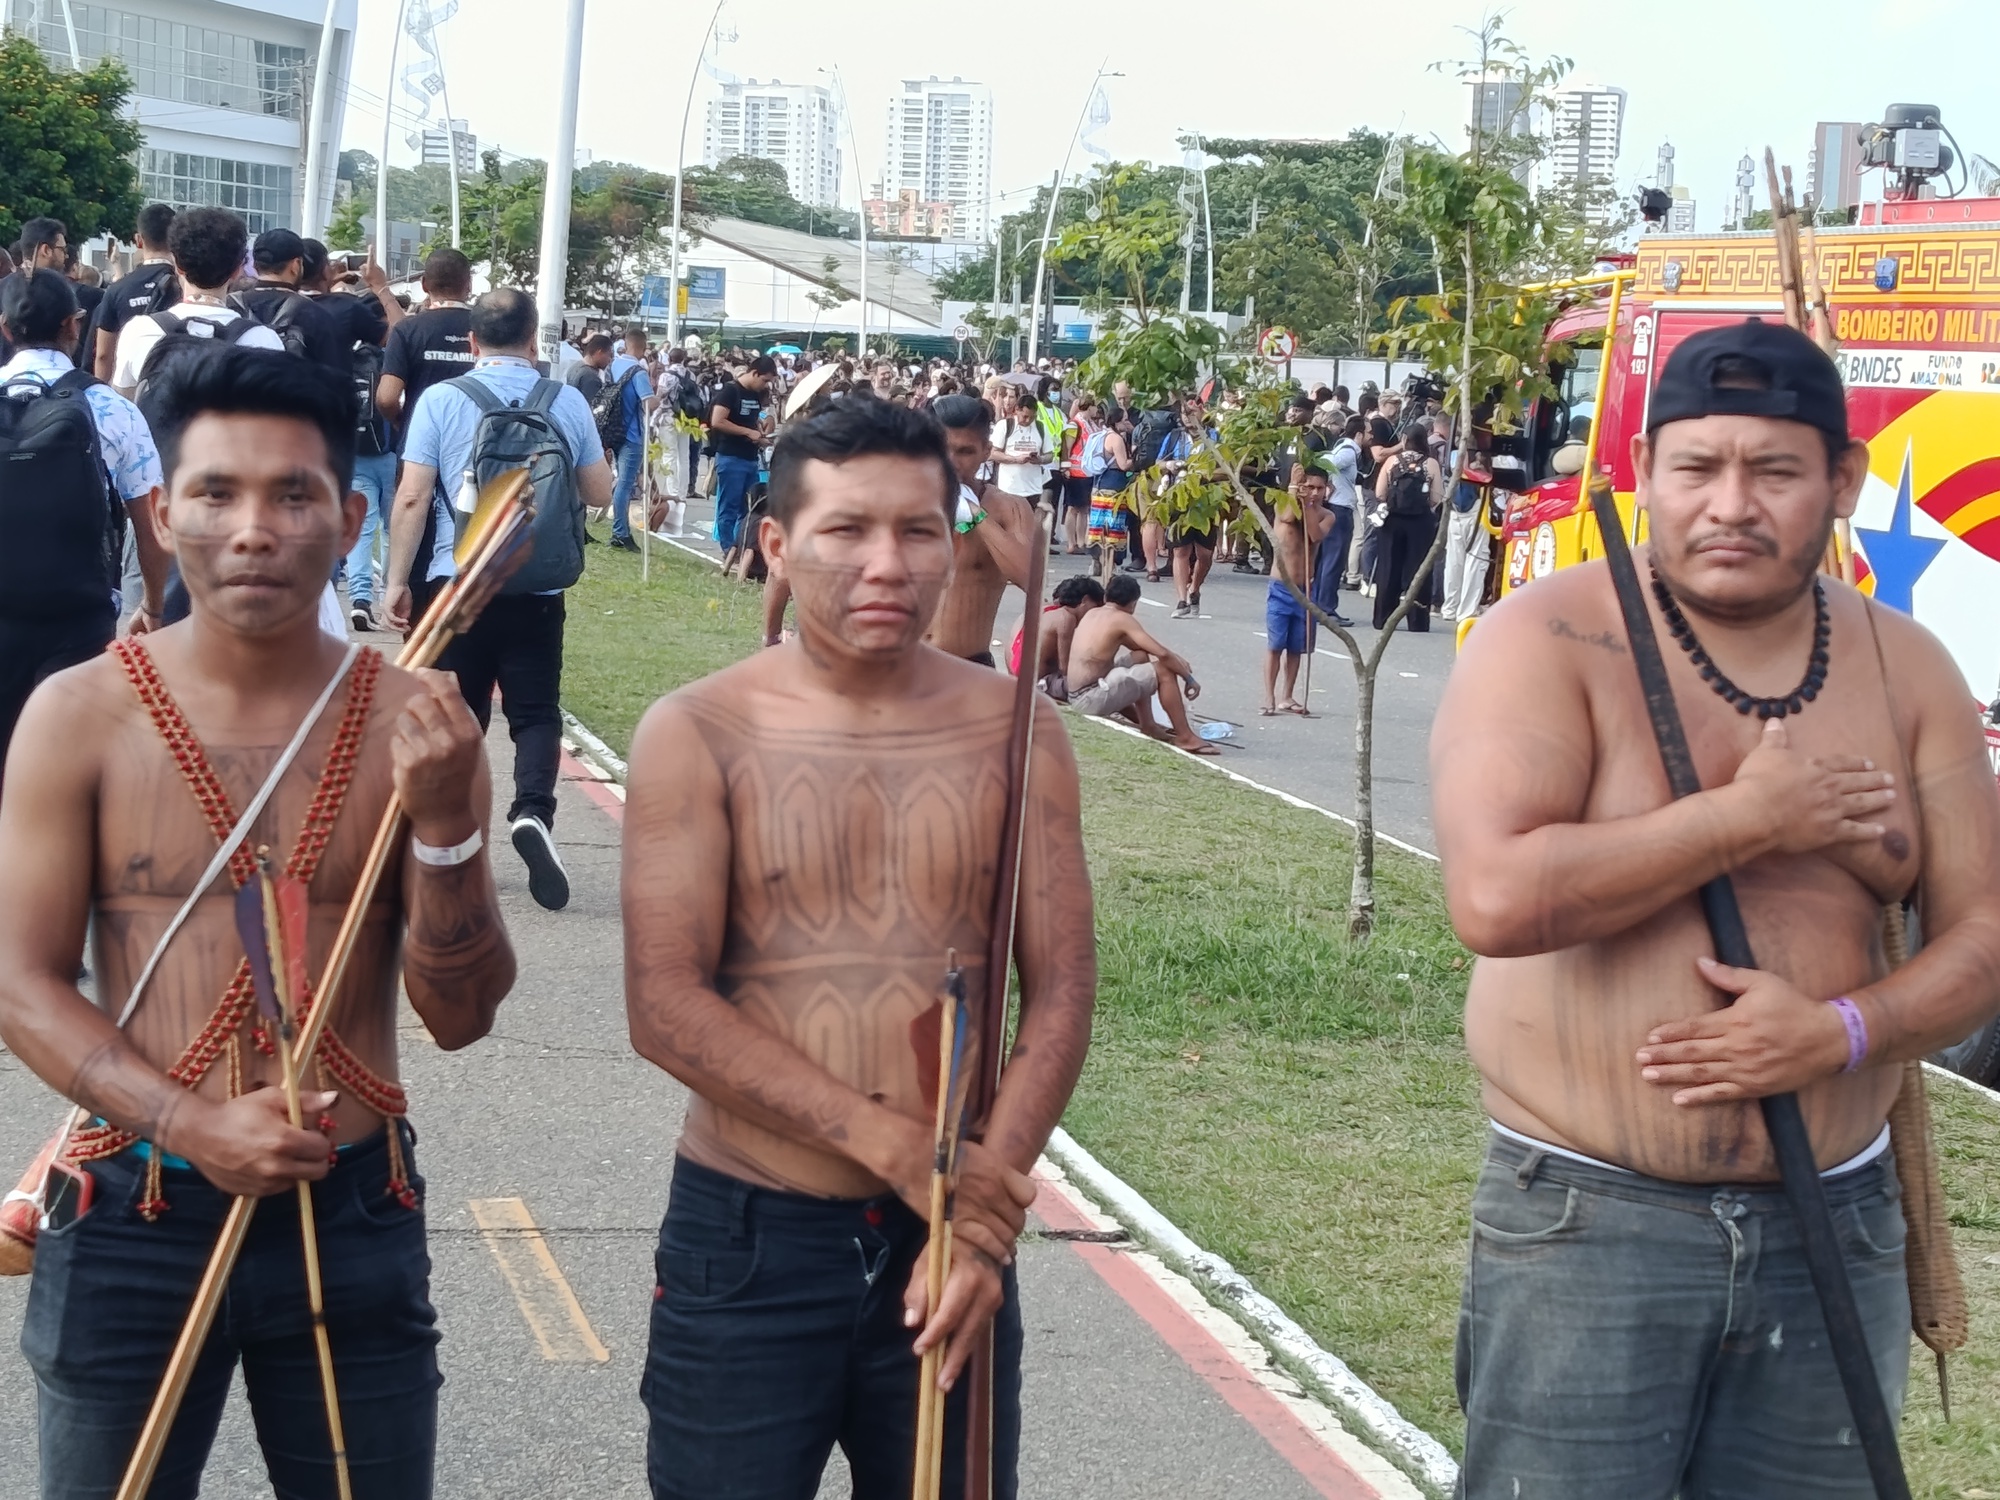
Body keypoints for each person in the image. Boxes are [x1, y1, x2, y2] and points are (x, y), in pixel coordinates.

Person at [1429, 318, 2000, 1498]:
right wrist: (1746, 821)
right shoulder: (1550, 637)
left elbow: (1982, 938)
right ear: (1646, 473)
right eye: (1696, 467)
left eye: (1773, 469)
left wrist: (1842, 1033)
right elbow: (1492, 898)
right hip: (1585, 1227)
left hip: (1831, 1225)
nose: (1728, 503)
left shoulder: (1907, 671)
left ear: (1838, 481)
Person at [0, 347, 516, 1499]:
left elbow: (464, 1014)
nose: (253, 529)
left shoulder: (418, 723)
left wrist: (442, 828)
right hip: (130, 1201)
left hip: (353, 1204)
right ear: (165, 509)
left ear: (350, 515)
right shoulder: (78, 715)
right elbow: (19, 983)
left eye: (293, 495)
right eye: (216, 493)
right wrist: (188, 1122)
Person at [621, 396, 1096, 1500]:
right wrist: (907, 1155)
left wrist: (978, 1217)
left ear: (952, 540)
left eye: (917, 530)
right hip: (748, 1241)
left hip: (948, 1236)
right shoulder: (699, 730)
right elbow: (666, 1006)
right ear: (778, 544)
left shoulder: (1018, 728)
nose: (886, 562)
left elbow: (1060, 991)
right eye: (845, 530)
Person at [383, 288, 615, 911]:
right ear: (535, 340)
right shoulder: (563, 399)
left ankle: (456, 841)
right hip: (535, 586)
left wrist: (395, 581)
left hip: (455, 582)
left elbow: (411, 496)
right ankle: (533, 810)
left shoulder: (442, 399)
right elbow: (598, 494)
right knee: (536, 712)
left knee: (458, 720)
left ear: (472, 342)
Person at [0, 269, 170, 773]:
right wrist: (155, 607)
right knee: (68, 765)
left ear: (5, 328)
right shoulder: (109, 408)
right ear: (75, 325)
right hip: (80, 613)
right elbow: (149, 522)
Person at [300, 241, 398, 630]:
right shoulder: (359, 328)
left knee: (360, 525)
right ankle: (390, 594)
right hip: (384, 450)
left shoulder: (291, 313)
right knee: (391, 528)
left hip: (342, 448)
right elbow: (401, 331)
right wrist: (380, 287)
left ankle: (358, 596)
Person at [377, 248, 478, 621]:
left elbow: (387, 396)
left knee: (415, 530)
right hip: (476, 450)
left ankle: (414, 612)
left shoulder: (408, 330)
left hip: (421, 451)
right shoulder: (482, 329)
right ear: (468, 286)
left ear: (423, 285)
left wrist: (404, 423)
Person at [110, 208, 285, 398]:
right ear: (237, 270)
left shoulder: (139, 332)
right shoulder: (264, 341)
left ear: (177, 264)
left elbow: (125, 407)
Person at [930, 394, 1037, 667]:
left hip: (967, 668)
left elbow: (1032, 580)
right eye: (941, 449)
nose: (951, 461)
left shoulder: (1008, 507)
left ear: (986, 451)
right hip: (901, 666)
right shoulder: (900, 499)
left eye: (965, 451)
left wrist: (977, 514)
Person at [1066, 574, 1216, 754]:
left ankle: (1148, 724)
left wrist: (1174, 657)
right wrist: (1189, 679)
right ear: (1133, 603)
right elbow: (1162, 654)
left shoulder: (1093, 613)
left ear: (1106, 597)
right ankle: (1185, 737)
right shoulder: (1122, 619)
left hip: (1077, 695)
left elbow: (1142, 647)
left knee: (1140, 656)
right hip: (1089, 699)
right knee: (1163, 671)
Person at [1263, 465, 1336, 716]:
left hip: (1306, 590)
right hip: (1280, 587)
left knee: (1297, 647)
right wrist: (1295, 491)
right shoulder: (1285, 503)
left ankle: (1287, 696)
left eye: (1319, 488)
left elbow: (1314, 535)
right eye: (1310, 487)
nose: (1314, 492)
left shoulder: (1326, 515)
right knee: (1275, 645)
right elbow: (1286, 517)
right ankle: (1269, 697)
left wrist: (1308, 506)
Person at [92, 204, 180, 383]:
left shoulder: (117, 289)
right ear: (176, 239)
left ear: (139, 240)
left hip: (129, 390)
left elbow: (103, 355)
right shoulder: (186, 286)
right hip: (176, 387)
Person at [234, 229, 341, 369]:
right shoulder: (316, 314)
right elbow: (336, 377)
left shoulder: (229, 305)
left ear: (255, 265)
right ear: (296, 266)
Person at [1370, 422, 1440, 632]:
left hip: (1393, 520)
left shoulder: (1392, 461)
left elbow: (1380, 493)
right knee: (1418, 569)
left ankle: (1383, 617)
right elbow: (1437, 497)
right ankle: (1418, 620)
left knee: (1389, 567)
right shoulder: (1431, 463)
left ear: (1404, 440)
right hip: (1420, 522)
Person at [709, 354, 774, 556]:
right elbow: (717, 420)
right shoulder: (731, 391)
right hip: (731, 456)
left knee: (749, 507)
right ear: (754, 373)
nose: (765, 385)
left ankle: (742, 547)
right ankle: (728, 549)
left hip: (750, 457)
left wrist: (760, 432)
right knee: (729, 506)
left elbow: (751, 420)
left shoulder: (755, 394)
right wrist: (747, 432)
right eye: (764, 380)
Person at [605, 325, 657, 551]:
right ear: (643, 348)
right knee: (625, 484)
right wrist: (659, 396)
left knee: (620, 482)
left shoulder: (612, 366)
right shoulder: (638, 372)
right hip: (632, 434)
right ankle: (620, 532)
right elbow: (648, 403)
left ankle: (620, 529)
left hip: (611, 430)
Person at [1315, 414, 1364, 628]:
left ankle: (1319, 604)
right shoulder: (1349, 450)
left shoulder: (1343, 447)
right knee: (1334, 560)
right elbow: (1327, 463)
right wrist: (1328, 482)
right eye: (1368, 433)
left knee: (1327, 559)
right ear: (1360, 434)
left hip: (1337, 505)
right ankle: (1325, 607)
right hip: (1340, 507)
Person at [989, 384, 1049, 504]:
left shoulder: (1041, 427)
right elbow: (992, 453)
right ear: (1017, 410)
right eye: (1025, 416)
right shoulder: (1005, 425)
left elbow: (1050, 455)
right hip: (1008, 488)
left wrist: (1040, 459)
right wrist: (1015, 459)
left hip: (1033, 488)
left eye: (1032, 417)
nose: (1028, 421)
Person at [566, 333, 614, 404]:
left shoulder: (574, 367)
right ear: (599, 352)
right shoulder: (591, 377)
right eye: (609, 355)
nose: (610, 360)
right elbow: (593, 407)